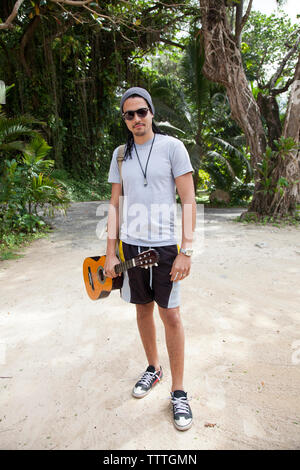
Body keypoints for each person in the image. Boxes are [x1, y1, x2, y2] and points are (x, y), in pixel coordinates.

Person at [105, 87, 196, 431]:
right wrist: (111, 251)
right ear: (125, 120)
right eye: (129, 115)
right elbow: (114, 204)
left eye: (141, 112)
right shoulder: (119, 155)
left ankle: (179, 391)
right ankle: (154, 368)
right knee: (142, 308)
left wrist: (186, 251)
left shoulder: (173, 148)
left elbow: (188, 200)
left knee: (170, 315)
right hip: (131, 245)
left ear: (151, 113)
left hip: (164, 247)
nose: (136, 119)